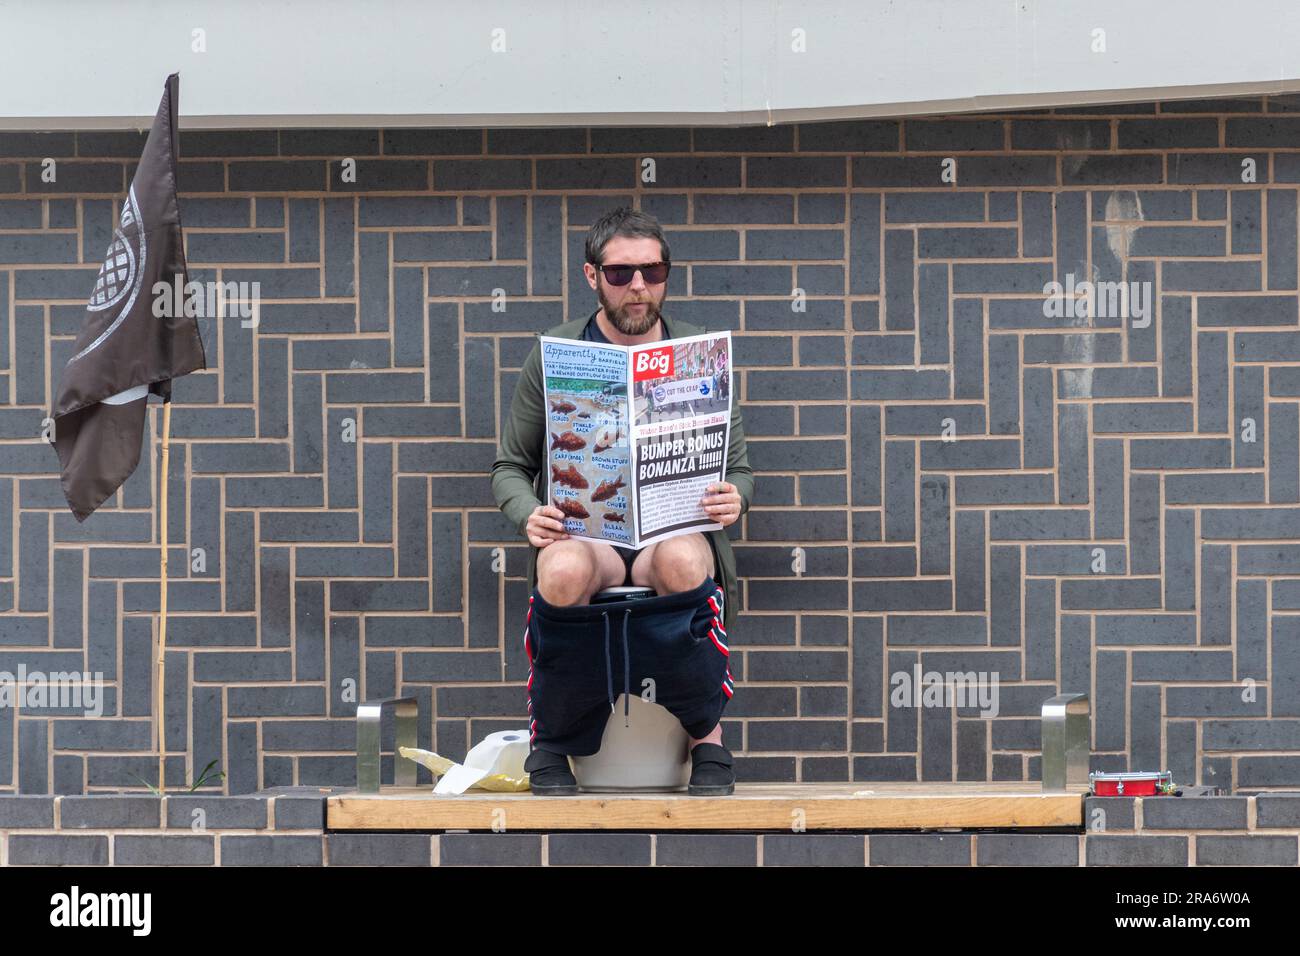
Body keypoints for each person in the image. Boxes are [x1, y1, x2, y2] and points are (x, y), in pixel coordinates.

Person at [491, 206, 754, 796]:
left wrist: (734, 499)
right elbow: (511, 465)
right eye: (620, 274)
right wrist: (525, 512)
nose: (639, 286)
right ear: (592, 276)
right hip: (592, 535)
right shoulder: (556, 352)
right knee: (560, 569)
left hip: (670, 531)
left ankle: (705, 740)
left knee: (685, 563)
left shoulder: (698, 352)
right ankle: (553, 744)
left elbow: (737, 470)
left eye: (653, 271)